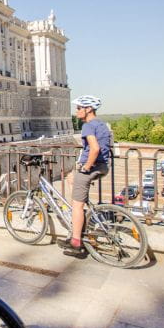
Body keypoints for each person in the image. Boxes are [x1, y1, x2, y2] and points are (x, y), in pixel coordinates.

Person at [59, 95, 112, 258]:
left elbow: (94, 149)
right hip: (103, 166)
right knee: (71, 179)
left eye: (79, 108)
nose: (76, 111)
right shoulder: (101, 124)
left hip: (91, 167)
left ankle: (76, 241)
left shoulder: (88, 126)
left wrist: (85, 167)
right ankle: (79, 224)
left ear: (88, 109)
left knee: (77, 206)